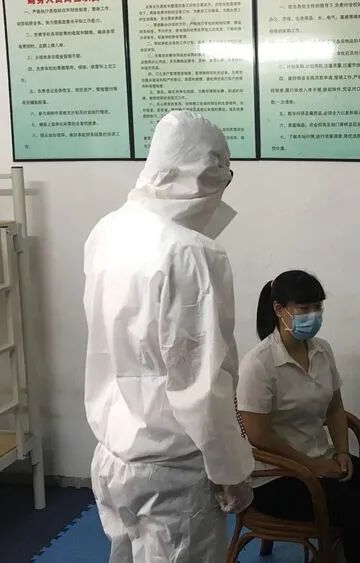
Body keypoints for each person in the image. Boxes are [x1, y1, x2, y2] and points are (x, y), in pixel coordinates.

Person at [83, 111, 254, 563]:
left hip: (113, 456)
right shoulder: (192, 252)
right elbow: (201, 384)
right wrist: (231, 470)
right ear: (206, 173)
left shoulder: (108, 231)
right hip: (173, 470)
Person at [236, 270, 360, 563]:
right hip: (276, 477)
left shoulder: (321, 350)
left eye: (318, 307)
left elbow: (335, 408)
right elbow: (258, 435)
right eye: (304, 308)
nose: (313, 315)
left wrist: (341, 452)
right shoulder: (258, 364)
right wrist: (312, 466)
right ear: (279, 309)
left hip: (322, 459)